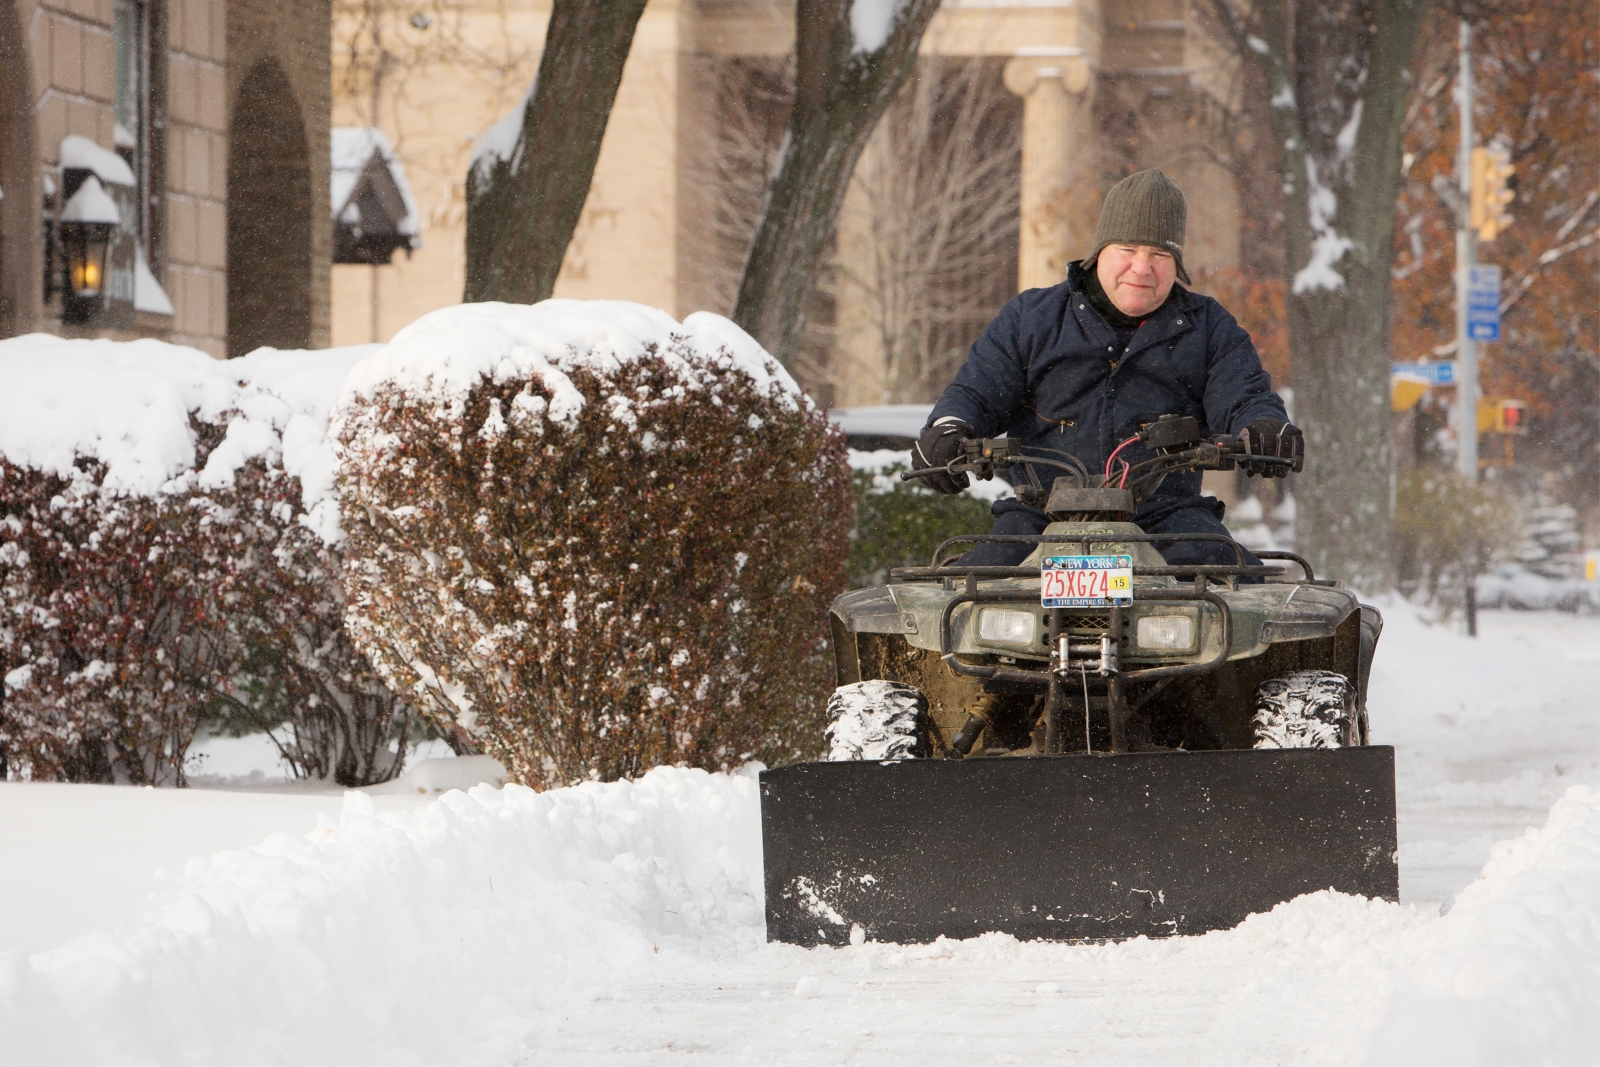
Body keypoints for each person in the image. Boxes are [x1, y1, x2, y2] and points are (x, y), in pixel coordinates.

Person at [914, 168, 1302, 569]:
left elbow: (1246, 395)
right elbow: (976, 392)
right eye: (1128, 249)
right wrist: (949, 428)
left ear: (1178, 263)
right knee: (971, 594)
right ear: (1100, 251)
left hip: (1168, 519)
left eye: (1160, 254)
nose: (1142, 268)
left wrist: (1264, 427)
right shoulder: (1031, 319)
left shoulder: (1208, 329)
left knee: (1230, 588)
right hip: (1039, 516)